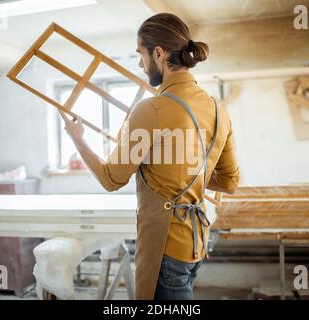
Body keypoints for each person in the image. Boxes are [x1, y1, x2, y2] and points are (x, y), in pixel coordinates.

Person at [62, 13, 240, 300]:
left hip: (165, 248)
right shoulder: (218, 109)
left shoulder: (151, 109)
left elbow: (111, 179)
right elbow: (230, 182)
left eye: (140, 55)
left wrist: (78, 139)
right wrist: (184, 174)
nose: (140, 64)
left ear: (159, 53)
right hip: (197, 242)